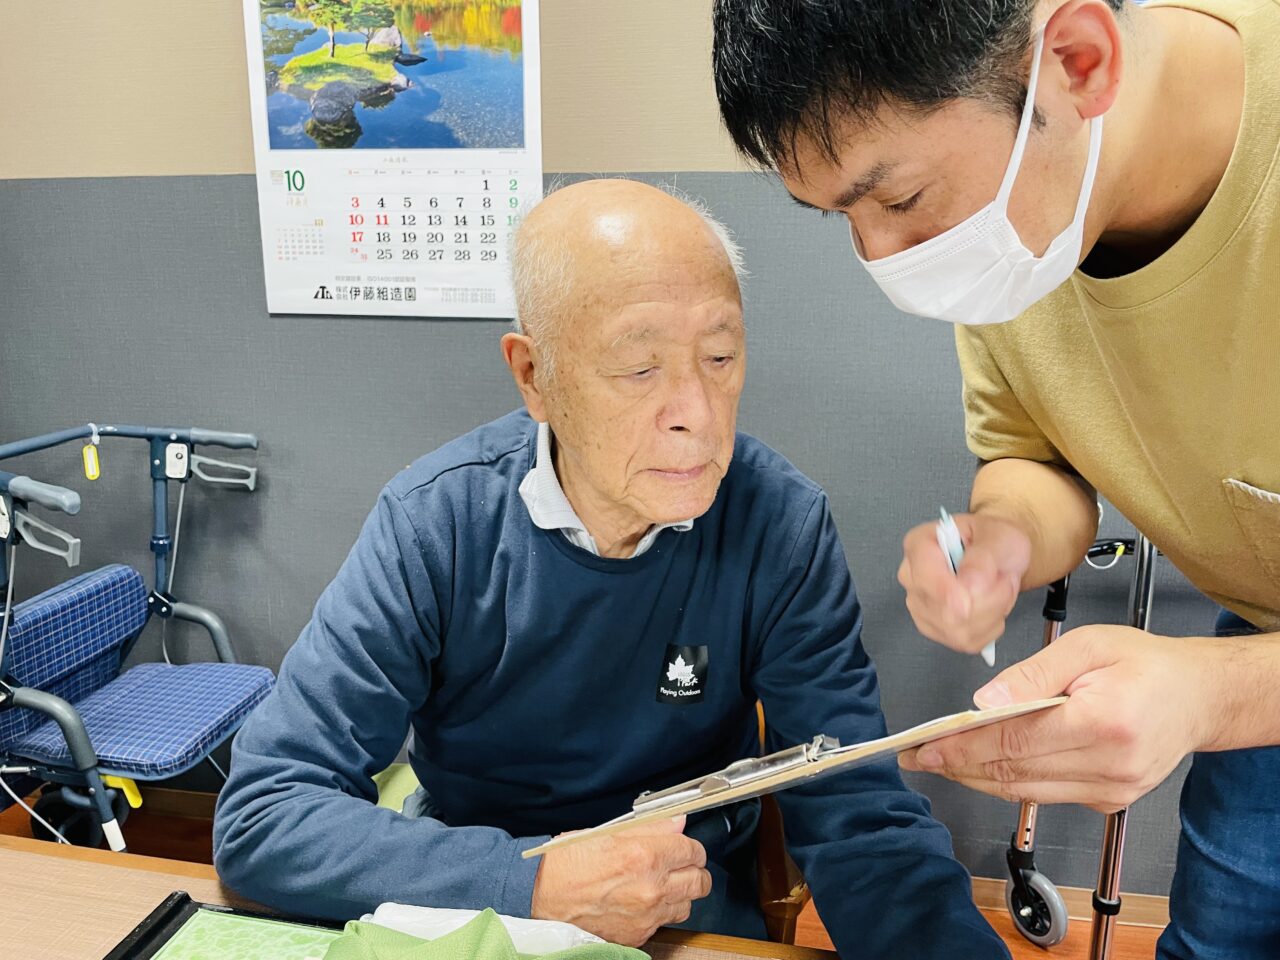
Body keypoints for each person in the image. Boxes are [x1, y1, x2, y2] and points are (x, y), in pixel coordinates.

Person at [213, 179, 1009, 958]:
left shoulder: (778, 523)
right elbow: (264, 814)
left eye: (720, 356)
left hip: (686, 903)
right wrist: (532, 882)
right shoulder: (436, 525)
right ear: (535, 376)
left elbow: (856, 809)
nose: (697, 413)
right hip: (480, 895)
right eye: (639, 368)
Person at [712, 1, 1280, 956]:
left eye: (900, 200)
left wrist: (1215, 695)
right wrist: (1004, 536)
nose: (882, 258)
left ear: (1078, 60)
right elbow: (1033, 451)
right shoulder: (1025, 233)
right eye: (842, 218)